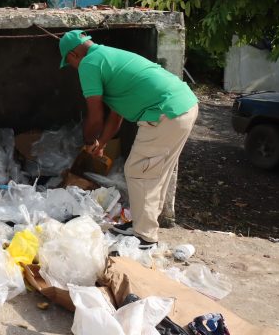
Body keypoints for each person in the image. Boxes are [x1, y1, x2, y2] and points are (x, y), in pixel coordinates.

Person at [60, 30, 198, 249]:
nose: (72, 67)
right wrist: (102, 143)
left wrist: (88, 142)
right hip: (184, 105)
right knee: (155, 172)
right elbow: (116, 115)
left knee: (137, 170)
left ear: (74, 55)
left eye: (68, 62)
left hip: (164, 112)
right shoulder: (108, 56)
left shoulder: (89, 64)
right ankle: (143, 225)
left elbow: (95, 116)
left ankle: (145, 237)